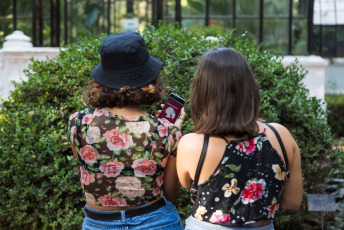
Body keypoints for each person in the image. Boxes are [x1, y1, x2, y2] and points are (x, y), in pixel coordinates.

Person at [67, 32, 185, 230]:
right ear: (149, 79)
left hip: (98, 223)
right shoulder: (166, 131)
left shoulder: (78, 122)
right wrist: (172, 134)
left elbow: (88, 165)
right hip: (156, 222)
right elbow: (171, 194)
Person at [176, 48, 303, 230]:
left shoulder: (192, 144)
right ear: (249, 88)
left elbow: (187, 185)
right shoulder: (280, 135)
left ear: (202, 93)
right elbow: (293, 202)